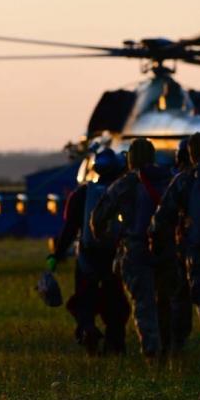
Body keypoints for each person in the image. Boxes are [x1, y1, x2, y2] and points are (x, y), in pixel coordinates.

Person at [150, 132, 200, 377]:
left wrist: (157, 243)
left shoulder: (185, 180)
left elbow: (161, 218)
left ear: (191, 154)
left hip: (198, 252)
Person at [90, 138, 175, 360]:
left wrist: (106, 238)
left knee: (144, 306)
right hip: (168, 250)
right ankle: (171, 350)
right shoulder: (170, 180)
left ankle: (152, 354)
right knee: (167, 303)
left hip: (136, 251)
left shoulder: (125, 184)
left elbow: (98, 217)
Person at [47, 149, 131, 355]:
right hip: (114, 258)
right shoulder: (124, 193)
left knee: (84, 300)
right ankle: (115, 344)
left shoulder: (81, 194)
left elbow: (70, 229)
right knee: (116, 304)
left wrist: (57, 255)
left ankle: (87, 330)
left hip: (87, 257)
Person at [169, 138, 194, 353]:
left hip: (183, 248)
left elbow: (164, 213)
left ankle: (178, 343)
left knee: (180, 298)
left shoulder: (180, 181)